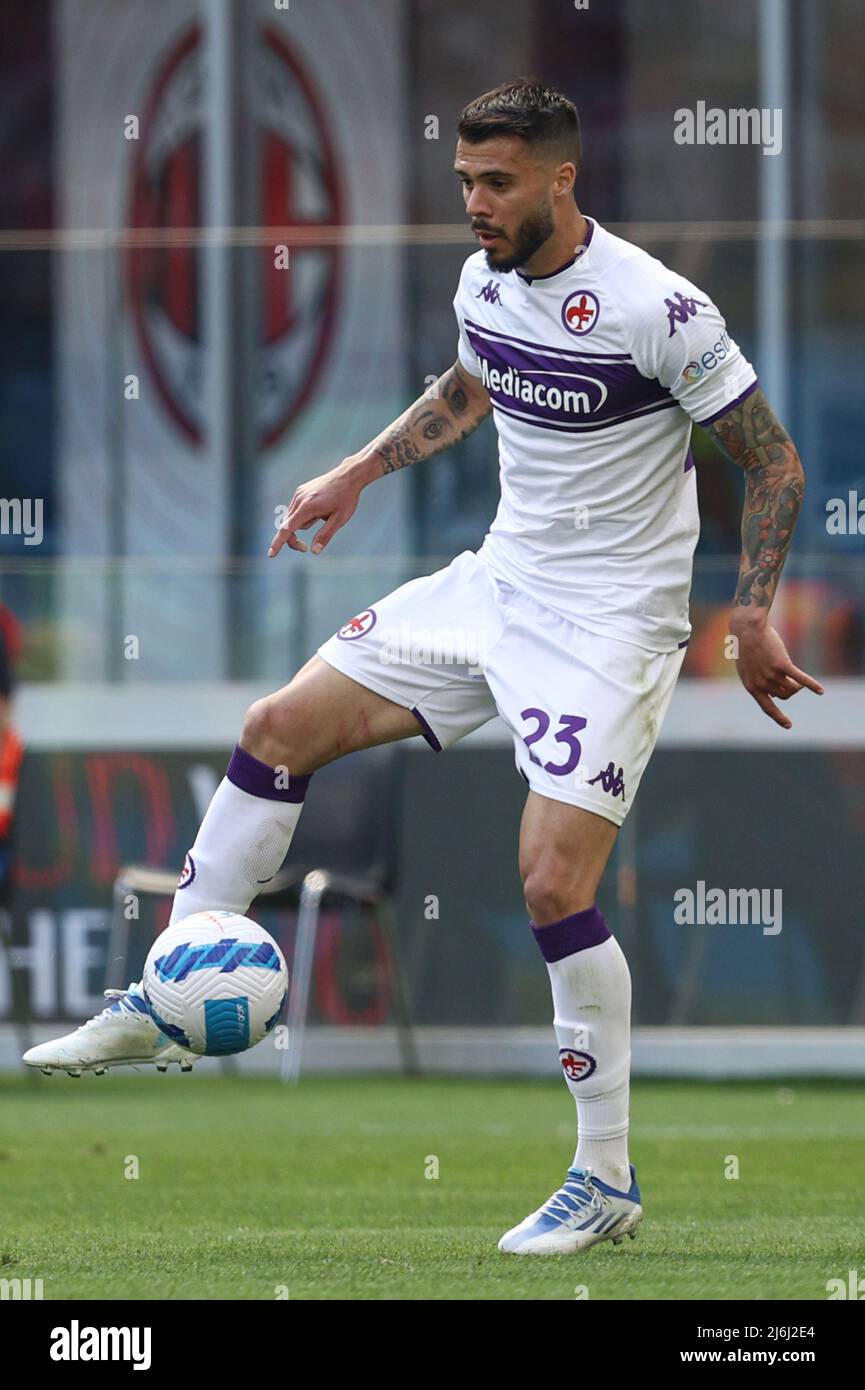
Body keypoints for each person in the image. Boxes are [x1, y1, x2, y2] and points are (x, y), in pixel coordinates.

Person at [26, 79, 823, 1255]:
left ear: (563, 178)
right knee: (275, 725)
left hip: (609, 625)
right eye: (463, 182)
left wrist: (750, 612)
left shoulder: (661, 309)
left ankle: (603, 1176)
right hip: (494, 587)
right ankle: (169, 989)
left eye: (497, 183)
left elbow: (775, 463)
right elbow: (470, 387)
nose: (475, 204)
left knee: (551, 881)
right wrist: (354, 471)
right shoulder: (483, 278)